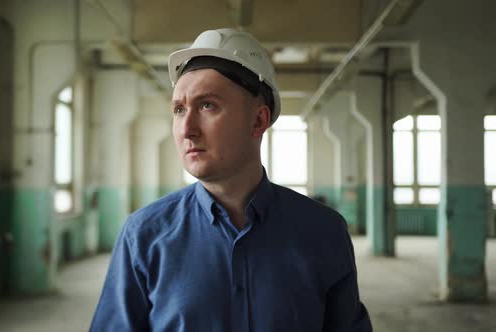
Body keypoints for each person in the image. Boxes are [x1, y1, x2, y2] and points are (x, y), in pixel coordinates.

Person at [90, 28, 372, 332]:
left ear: (258, 120)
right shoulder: (145, 236)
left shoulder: (324, 232)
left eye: (207, 105)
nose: (187, 129)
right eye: (179, 109)